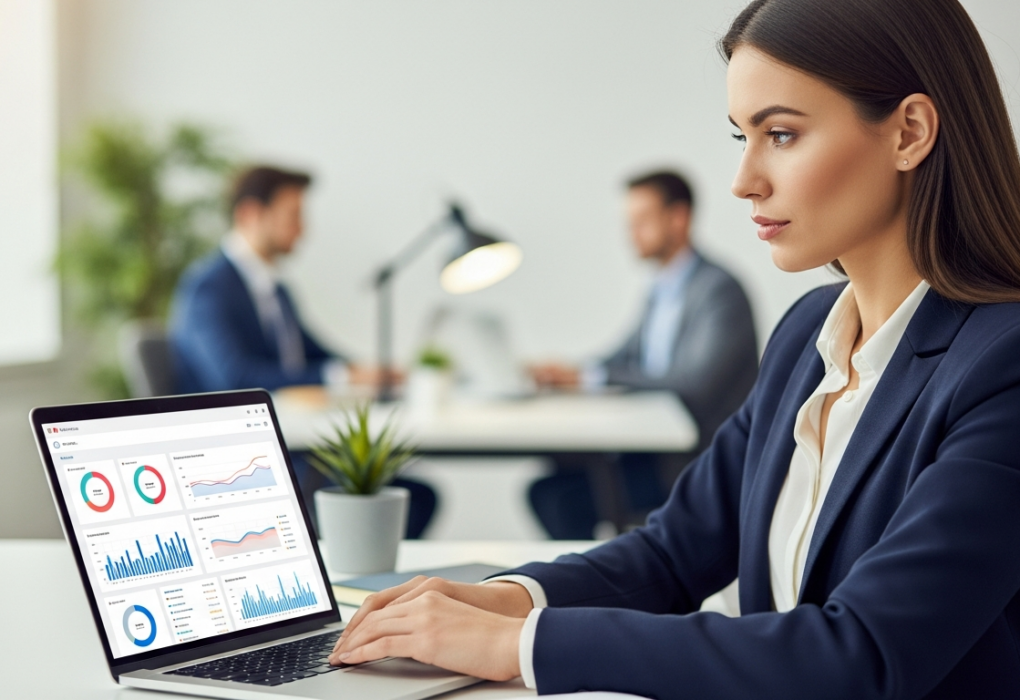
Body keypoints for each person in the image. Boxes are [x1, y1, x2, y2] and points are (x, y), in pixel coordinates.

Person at [322, 1, 1020, 697]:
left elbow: (862, 653)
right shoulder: (806, 338)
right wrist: (508, 600)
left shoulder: (1002, 363)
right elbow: (672, 553)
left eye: (780, 133)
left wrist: (519, 645)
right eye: (741, 137)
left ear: (909, 132)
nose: (745, 181)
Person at [169, 166, 436, 538]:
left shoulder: (276, 290)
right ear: (250, 214)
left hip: (291, 442)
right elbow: (235, 376)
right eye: (293, 215)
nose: (303, 229)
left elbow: (312, 353)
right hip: (241, 460)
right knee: (406, 497)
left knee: (415, 495)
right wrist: (341, 376)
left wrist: (362, 370)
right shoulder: (209, 289)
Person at [529, 170, 758, 538]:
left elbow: (693, 383)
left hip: (693, 462)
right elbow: (626, 355)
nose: (631, 233)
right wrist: (574, 371)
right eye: (629, 223)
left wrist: (591, 378)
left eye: (642, 221)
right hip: (651, 451)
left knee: (559, 498)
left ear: (678, 218)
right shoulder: (662, 287)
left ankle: (587, 588)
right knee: (552, 481)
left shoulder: (718, 291)